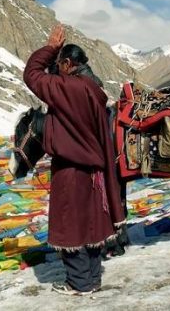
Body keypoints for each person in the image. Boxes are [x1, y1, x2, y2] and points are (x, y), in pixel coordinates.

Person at [23, 24, 126, 296]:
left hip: (70, 170)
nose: (55, 70)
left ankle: (79, 283)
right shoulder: (94, 91)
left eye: (58, 65)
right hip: (96, 172)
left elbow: (31, 74)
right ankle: (92, 279)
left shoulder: (67, 88)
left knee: (71, 225)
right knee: (91, 223)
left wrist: (50, 47)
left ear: (67, 64)